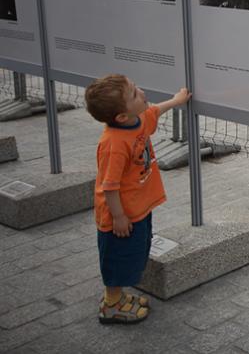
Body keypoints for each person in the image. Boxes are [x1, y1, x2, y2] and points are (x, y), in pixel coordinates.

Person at [85, 75, 191, 325]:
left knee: (135, 253)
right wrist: (119, 217)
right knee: (119, 258)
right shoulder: (113, 143)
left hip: (138, 209)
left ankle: (119, 299)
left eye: (135, 88)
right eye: (134, 94)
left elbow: (154, 111)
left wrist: (176, 100)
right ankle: (111, 305)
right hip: (120, 217)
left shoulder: (137, 121)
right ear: (121, 116)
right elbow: (109, 186)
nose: (141, 92)